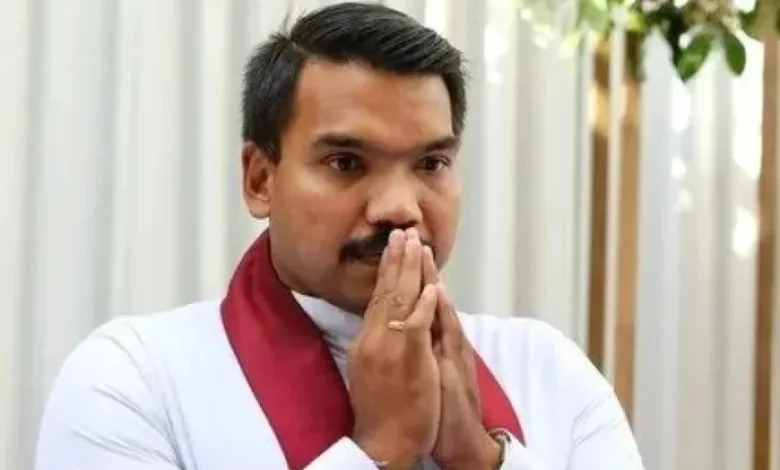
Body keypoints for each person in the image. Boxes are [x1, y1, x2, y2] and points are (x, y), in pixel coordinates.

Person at [34, 3, 644, 469]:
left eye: (431, 163)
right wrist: (378, 449)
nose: (399, 208)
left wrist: (481, 459)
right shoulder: (133, 380)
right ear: (260, 178)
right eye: (347, 163)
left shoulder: (548, 369)